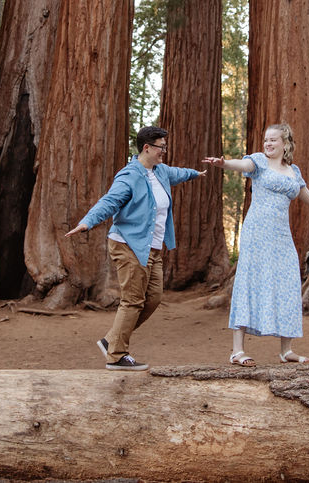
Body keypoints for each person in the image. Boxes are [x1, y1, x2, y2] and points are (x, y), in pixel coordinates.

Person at [203, 122, 309, 367]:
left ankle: (286, 350)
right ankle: (237, 350)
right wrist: (224, 164)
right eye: (266, 140)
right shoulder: (259, 162)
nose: (268, 144)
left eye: (273, 140)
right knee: (249, 281)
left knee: (287, 284)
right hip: (257, 234)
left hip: (281, 236)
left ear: (285, 143)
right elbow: (242, 164)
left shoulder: (294, 171)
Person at [65, 126, 205, 371]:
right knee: (132, 301)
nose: (164, 151)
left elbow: (177, 173)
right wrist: (87, 222)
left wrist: (195, 173)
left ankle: (111, 339)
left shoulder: (160, 172)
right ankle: (116, 355)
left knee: (153, 298)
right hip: (128, 245)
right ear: (147, 148)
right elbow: (109, 201)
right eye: (161, 146)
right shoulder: (129, 175)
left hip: (152, 249)